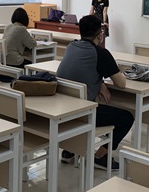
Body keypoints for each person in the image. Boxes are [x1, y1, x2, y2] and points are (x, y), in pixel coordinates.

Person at [56, 15, 134, 170]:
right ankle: (100, 156)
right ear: (100, 35)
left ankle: (69, 149)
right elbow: (121, 83)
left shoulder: (71, 46)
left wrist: (100, 82)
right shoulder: (100, 53)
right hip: (83, 113)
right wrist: (101, 81)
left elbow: (81, 71)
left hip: (62, 109)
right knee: (127, 118)